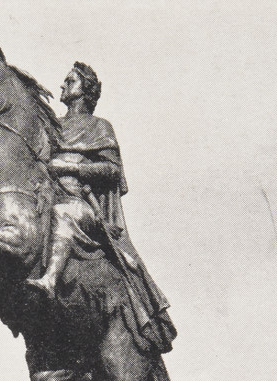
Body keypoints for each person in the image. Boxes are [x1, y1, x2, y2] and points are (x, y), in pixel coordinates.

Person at [27, 62, 176, 354]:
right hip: (47, 195)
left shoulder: (100, 126)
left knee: (63, 215)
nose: (62, 86)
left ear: (86, 90)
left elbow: (111, 170)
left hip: (81, 205)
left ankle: (49, 280)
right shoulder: (50, 125)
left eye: (69, 81)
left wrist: (71, 166)